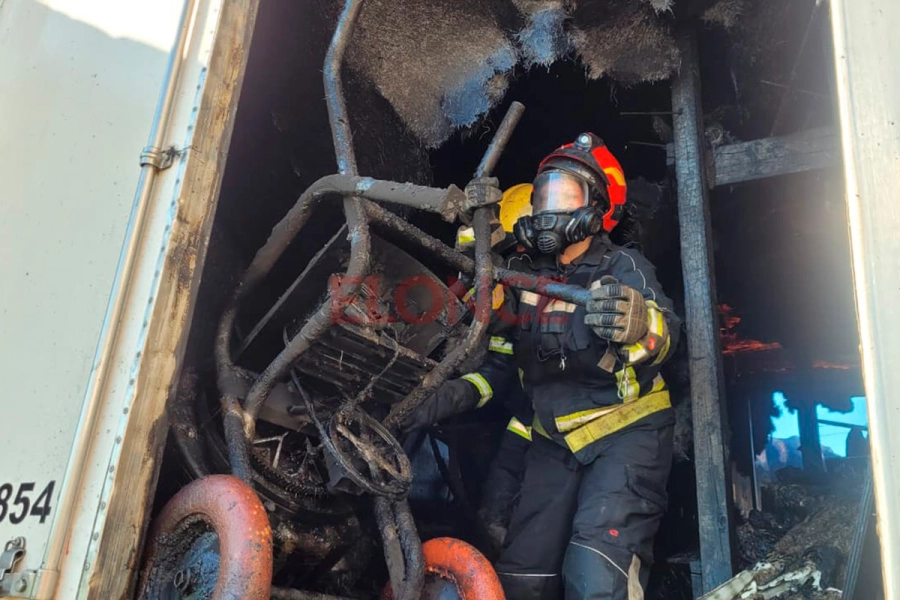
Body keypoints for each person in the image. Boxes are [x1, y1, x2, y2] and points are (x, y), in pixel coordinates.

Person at [405, 133, 680, 600]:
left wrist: (640, 323)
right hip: (554, 441)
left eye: (566, 194)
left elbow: (667, 334)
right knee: (522, 580)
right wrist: (475, 242)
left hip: (626, 435)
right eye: (545, 194)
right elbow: (493, 350)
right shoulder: (523, 277)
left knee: (596, 576)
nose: (551, 207)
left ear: (596, 208)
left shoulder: (623, 267)